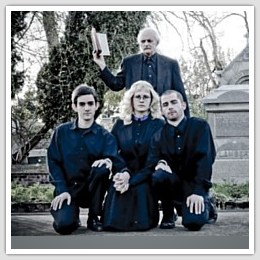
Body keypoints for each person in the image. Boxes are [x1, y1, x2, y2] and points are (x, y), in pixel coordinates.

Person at [47, 84, 127, 235]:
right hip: (68, 191)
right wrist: (62, 190)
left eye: (90, 103)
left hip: (92, 191)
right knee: (64, 226)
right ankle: (72, 216)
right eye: (82, 104)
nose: (87, 108)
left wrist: (109, 162)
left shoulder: (105, 136)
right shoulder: (61, 133)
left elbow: (117, 162)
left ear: (96, 105)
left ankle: (94, 216)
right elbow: (53, 162)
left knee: (102, 167)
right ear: (74, 106)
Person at [145, 89, 217, 231]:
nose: (170, 107)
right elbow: (151, 161)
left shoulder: (199, 127)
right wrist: (159, 163)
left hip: (194, 185)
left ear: (183, 105)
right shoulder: (158, 136)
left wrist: (198, 191)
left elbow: (205, 160)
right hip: (173, 185)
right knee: (158, 175)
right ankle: (168, 213)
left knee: (193, 223)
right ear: (162, 110)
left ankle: (208, 205)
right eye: (165, 105)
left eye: (173, 102)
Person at [102, 80, 165, 231]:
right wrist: (124, 173)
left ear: (152, 101)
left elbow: (154, 158)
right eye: (138, 97)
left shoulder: (159, 124)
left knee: (141, 198)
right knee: (116, 195)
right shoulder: (120, 125)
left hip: (146, 176)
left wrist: (132, 179)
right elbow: (112, 152)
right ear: (131, 100)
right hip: (123, 173)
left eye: (146, 97)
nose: (142, 100)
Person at [93, 27, 190, 117]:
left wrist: (186, 123)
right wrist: (101, 64)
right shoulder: (129, 62)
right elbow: (115, 84)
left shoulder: (170, 64)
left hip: (162, 118)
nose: (146, 44)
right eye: (143, 41)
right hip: (136, 117)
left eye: (149, 41)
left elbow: (180, 94)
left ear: (156, 42)